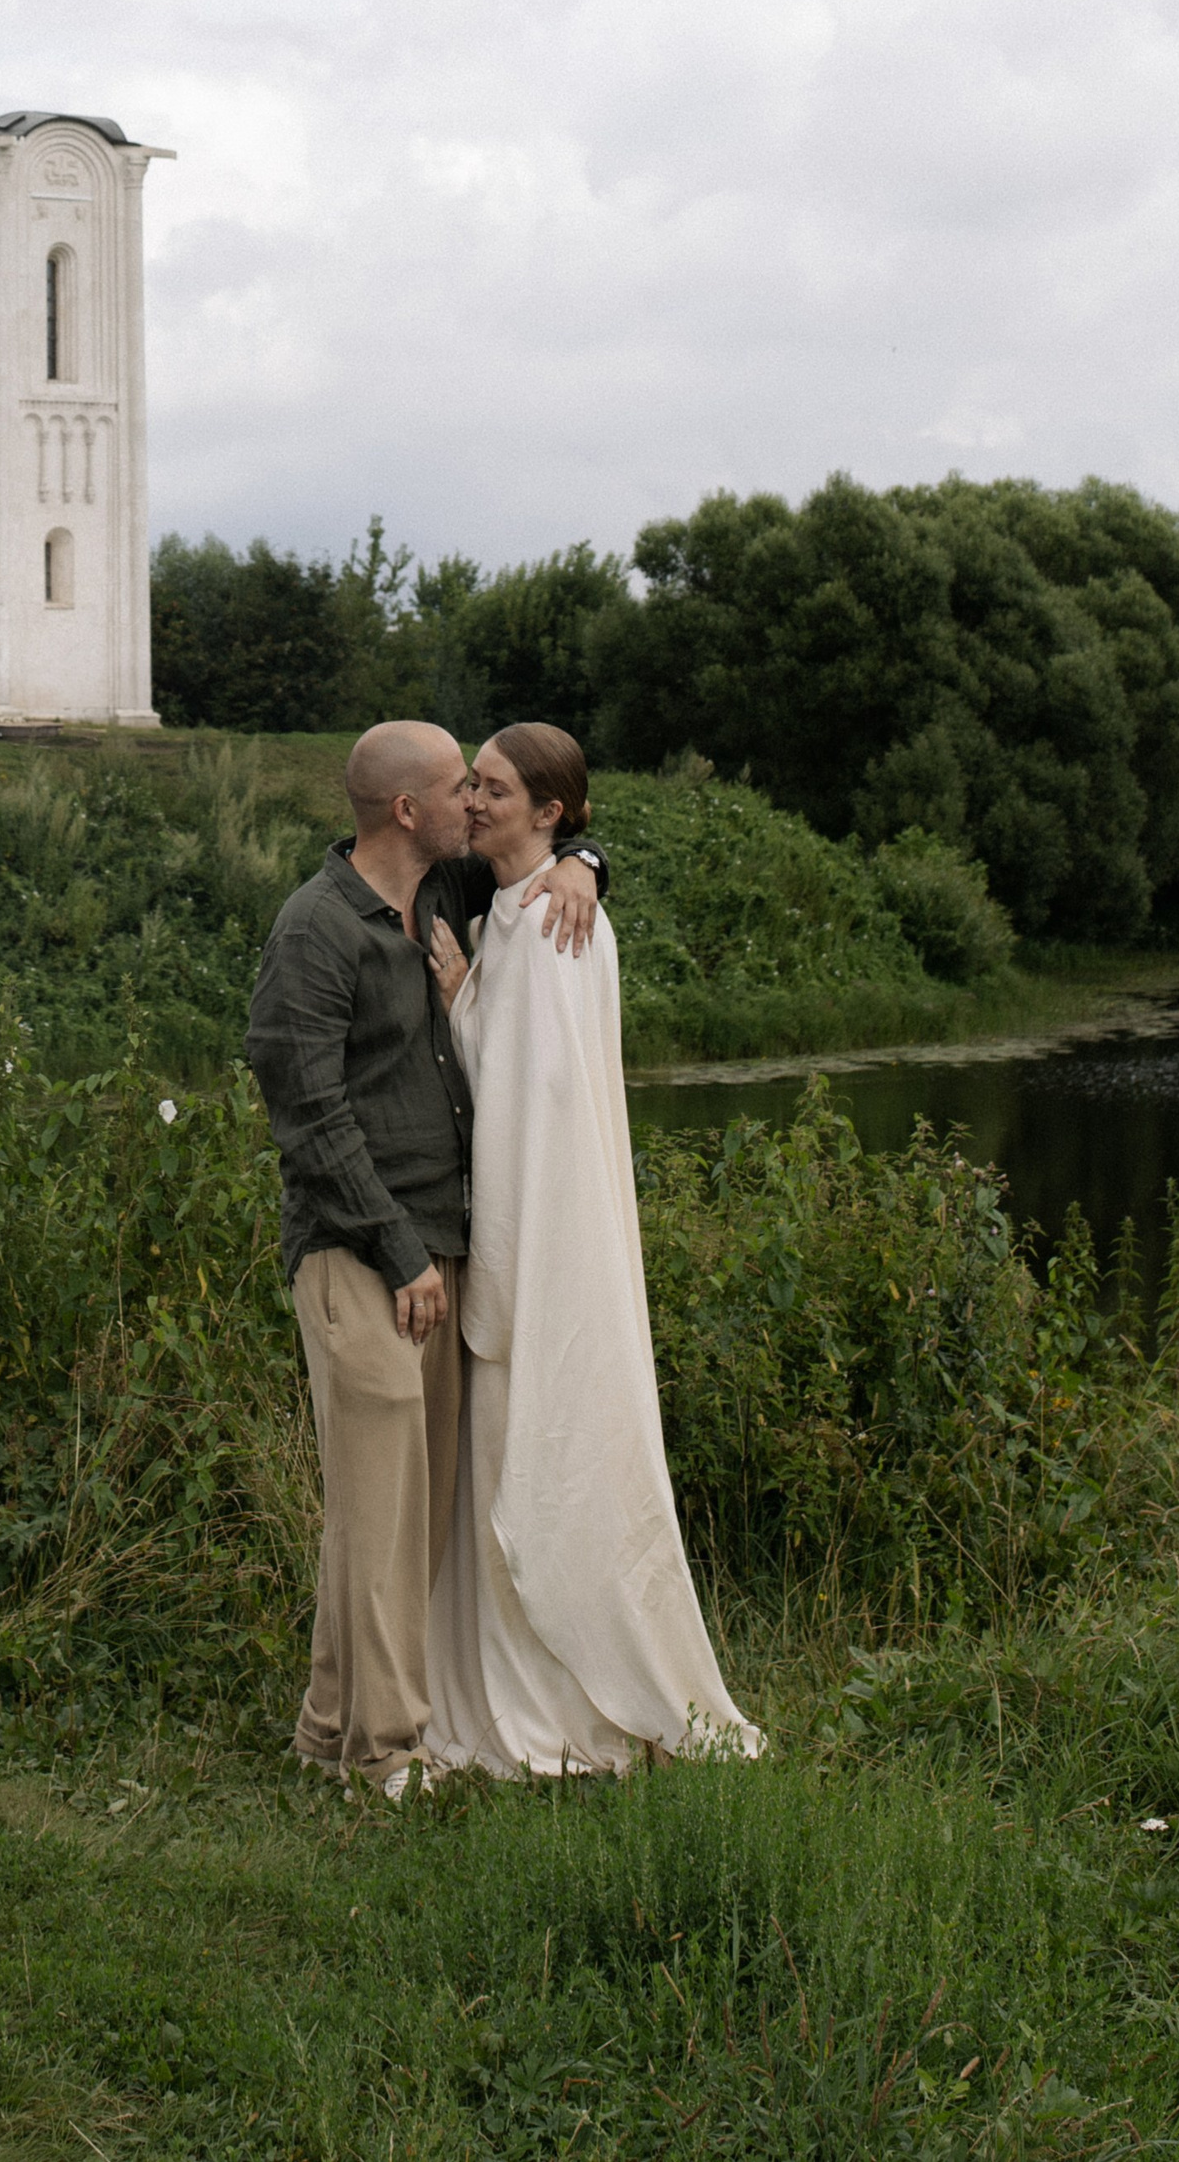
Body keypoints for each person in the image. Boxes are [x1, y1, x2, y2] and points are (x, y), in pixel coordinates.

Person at [244, 719, 607, 1796]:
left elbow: (549, 824)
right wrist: (399, 1252)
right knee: (381, 1498)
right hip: (360, 1252)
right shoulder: (315, 930)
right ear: (408, 809)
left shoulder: (442, 893)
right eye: (459, 787)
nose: (475, 801)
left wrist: (585, 860)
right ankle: (385, 1749)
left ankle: (324, 1726)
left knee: (402, 1508)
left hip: (437, 1250)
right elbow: (307, 1113)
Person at [422, 722, 760, 1775]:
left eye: (490, 787)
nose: (470, 800)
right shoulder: (508, 909)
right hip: (501, 1236)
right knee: (494, 1484)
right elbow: (506, 1069)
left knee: (548, 1463)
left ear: (549, 811)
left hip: (543, 1246)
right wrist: (462, 994)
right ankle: (505, 1681)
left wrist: (520, 1274)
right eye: (469, 783)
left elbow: (552, 1114)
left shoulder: (565, 923)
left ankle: (570, 1700)